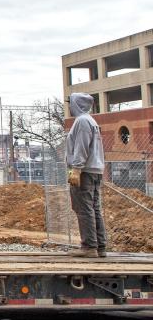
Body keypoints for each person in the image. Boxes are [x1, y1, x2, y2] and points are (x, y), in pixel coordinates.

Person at [67, 92, 107, 258]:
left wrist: (76, 168)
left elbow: (82, 146)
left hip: (85, 171)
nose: (69, 106)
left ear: (77, 104)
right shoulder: (90, 120)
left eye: (71, 102)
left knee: (84, 208)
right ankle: (100, 246)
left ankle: (89, 246)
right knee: (93, 208)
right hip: (94, 170)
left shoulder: (82, 121)